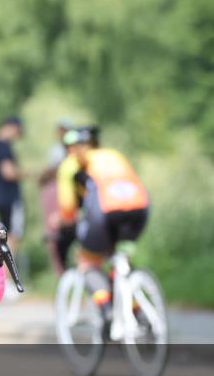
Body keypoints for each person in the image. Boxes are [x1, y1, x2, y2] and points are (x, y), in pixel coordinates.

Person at [58, 125, 150, 339]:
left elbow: (68, 207)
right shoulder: (113, 155)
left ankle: (106, 308)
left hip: (106, 211)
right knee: (119, 261)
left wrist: (66, 224)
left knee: (88, 262)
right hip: (139, 209)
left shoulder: (70, 164)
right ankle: (137, 309)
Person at [0, 116, 25, 253]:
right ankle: (7, 272)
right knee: (13, 235)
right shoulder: (3, 147)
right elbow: (8, 172)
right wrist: (27, 173)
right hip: (10, 197)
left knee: (0, 233)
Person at [39, 119, 74, 273]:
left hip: (63, 192)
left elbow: (54, 170)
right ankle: (62, 273)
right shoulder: (58, 150)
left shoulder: (70, 151)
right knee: (54, 235)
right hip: (57, 192)